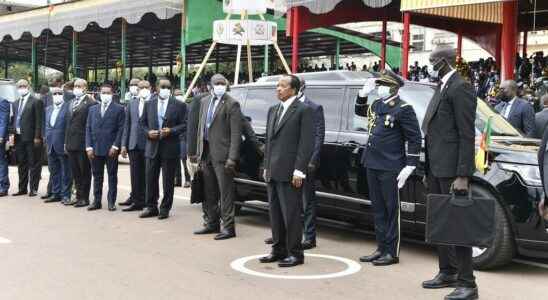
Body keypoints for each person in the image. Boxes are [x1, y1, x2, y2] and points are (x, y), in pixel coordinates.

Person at [421, 47, 478, 300]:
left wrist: (463, 175)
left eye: (432, 60)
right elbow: (433, 132)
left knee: (458, 226)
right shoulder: (441, 86)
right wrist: (427, 169)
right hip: (436, 168)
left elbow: (467, 134)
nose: (429, 64)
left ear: (443, 62)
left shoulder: (460, 87)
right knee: (441, 223)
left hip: (453, 171)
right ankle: (448, 271)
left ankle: (468, 284)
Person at [355, 70, 421, 266]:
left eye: (382, 85)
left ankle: (391, 252)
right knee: (378, 209)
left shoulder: (403, 108)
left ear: (393, 87)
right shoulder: (377, 104)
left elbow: (414, 138)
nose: (379, 88)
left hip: (391, 165)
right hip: (372, 162)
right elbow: (360, 113)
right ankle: (381, 248)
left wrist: (410, 165)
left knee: (391, 210)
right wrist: (362, 95)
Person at [259, 75, 314, 268]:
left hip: (291, 171)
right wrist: (266, 166)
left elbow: (306, 143)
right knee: (274, 213)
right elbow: (269, 141)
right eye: (277, 86)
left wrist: (299, 170)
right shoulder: (273, 110)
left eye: (282, 86)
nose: (278, 89)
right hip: (273, 170)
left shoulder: (303, 110)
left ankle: (295, 253)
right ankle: (278, 249)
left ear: (294, 89)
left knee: (291, 214)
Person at [191, 74, 242, 240]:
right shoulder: (204, 102)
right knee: (209, 191)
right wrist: (197, 153)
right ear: (210, 86)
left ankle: (228, 227)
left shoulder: (232, 104)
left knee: (225, 192)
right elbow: (200, 128)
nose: (220, 86)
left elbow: (236, 134)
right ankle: (211, 223)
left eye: (223, 83)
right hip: (206, 153)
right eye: (217, 83)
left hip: (223, 156)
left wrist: (232, 158)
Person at [139, 78, 187, 220]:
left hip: (170, 148)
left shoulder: (179, 105)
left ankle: (165, 208)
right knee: (150, 179)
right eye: (163, 86)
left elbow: (185, 124)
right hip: (152, 147)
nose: (165, 89)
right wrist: (148, 132)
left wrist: (171, 131)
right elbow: (142, 123)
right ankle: (151, 206)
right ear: (157, 88)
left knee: (168, 180)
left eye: (168, 87)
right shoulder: (149, 104)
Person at [85, 83, 125, 211]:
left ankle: (111, 202)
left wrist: (116, 146)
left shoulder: (119, 109)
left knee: (112, 176)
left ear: (112, 94)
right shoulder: (92, 109)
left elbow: (121, 129)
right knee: (97, 176)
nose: (105, 95)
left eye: (108, 93)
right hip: (95, 149)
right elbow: (88, 129)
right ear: (99, 94)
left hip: (111, 149)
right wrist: (88, 147)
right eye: (103, 92)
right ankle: (97, 201)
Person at [298, 78, 325, 250]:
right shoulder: (284, 106)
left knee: (307, 201)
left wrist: (312, 160)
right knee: (288, 200)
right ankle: (286, 233)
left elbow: (318, 136)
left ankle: (309, 237)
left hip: (305, 161)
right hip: (288, 159)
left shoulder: (314, 108)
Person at [65, 78, 96, 207]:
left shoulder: (91, 103)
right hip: (71, 142)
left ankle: (84, 198)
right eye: (74, 86)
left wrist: (90, 144)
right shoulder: (71, 102)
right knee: (75, 172)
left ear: (85, 87)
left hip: (83, 142)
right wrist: (66, 142)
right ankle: (78, 196)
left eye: (78, 86)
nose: (76, 88)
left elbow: (92, 125)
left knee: (84, 172)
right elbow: (68, 124)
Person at [120, 80, 150, 211]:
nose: (143, 89)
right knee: (135, 174)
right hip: (133, 143)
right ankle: (136, 201)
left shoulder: (153, 102)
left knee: (148, 174)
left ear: (150, 88)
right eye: (140, 87)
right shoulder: (132, 103)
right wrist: (123, 144)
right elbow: (127, 125)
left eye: (145, 87)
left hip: (148, 143)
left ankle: (147, 201)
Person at [12, 79, 44, 197]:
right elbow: (14, 120)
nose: (21, 88)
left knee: (33, 163)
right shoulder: (15, 103)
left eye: (23, 86)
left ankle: (33, 188)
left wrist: (37, 136)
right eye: (19, 86)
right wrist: (12, 133)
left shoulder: (36, 101)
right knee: (21, 163)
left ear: (28, 86)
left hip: (32, 138)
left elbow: (39, 121)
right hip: (19, 137)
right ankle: (22, 188)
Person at [44, 87, 72, 204]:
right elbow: (46, 126)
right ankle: (56, 193)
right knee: (54, 171)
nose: (57, 95)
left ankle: (65, 195)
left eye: (59, 93)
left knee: (66, 172)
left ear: (63, 95)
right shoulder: (48, 109)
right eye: (54, 93)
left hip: (62, 144)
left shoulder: (68, 108)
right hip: (51, 144)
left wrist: (66, 143)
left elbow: (68, 128)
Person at [173, 89, 191, 188]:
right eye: (177, 95)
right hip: (175, 136)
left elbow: (188, 122)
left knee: (184, 157)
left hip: (184, 136)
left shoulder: (187, 107)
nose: (179, 96)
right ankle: (177, 179)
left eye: (180, 94)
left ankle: (188, 179)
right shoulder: (172, 107)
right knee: (175, 158)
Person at [0, 96, 10, 197]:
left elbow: (4, 121)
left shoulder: (3, 101)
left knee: (1, 162)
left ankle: (3, 187)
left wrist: (1, 136)